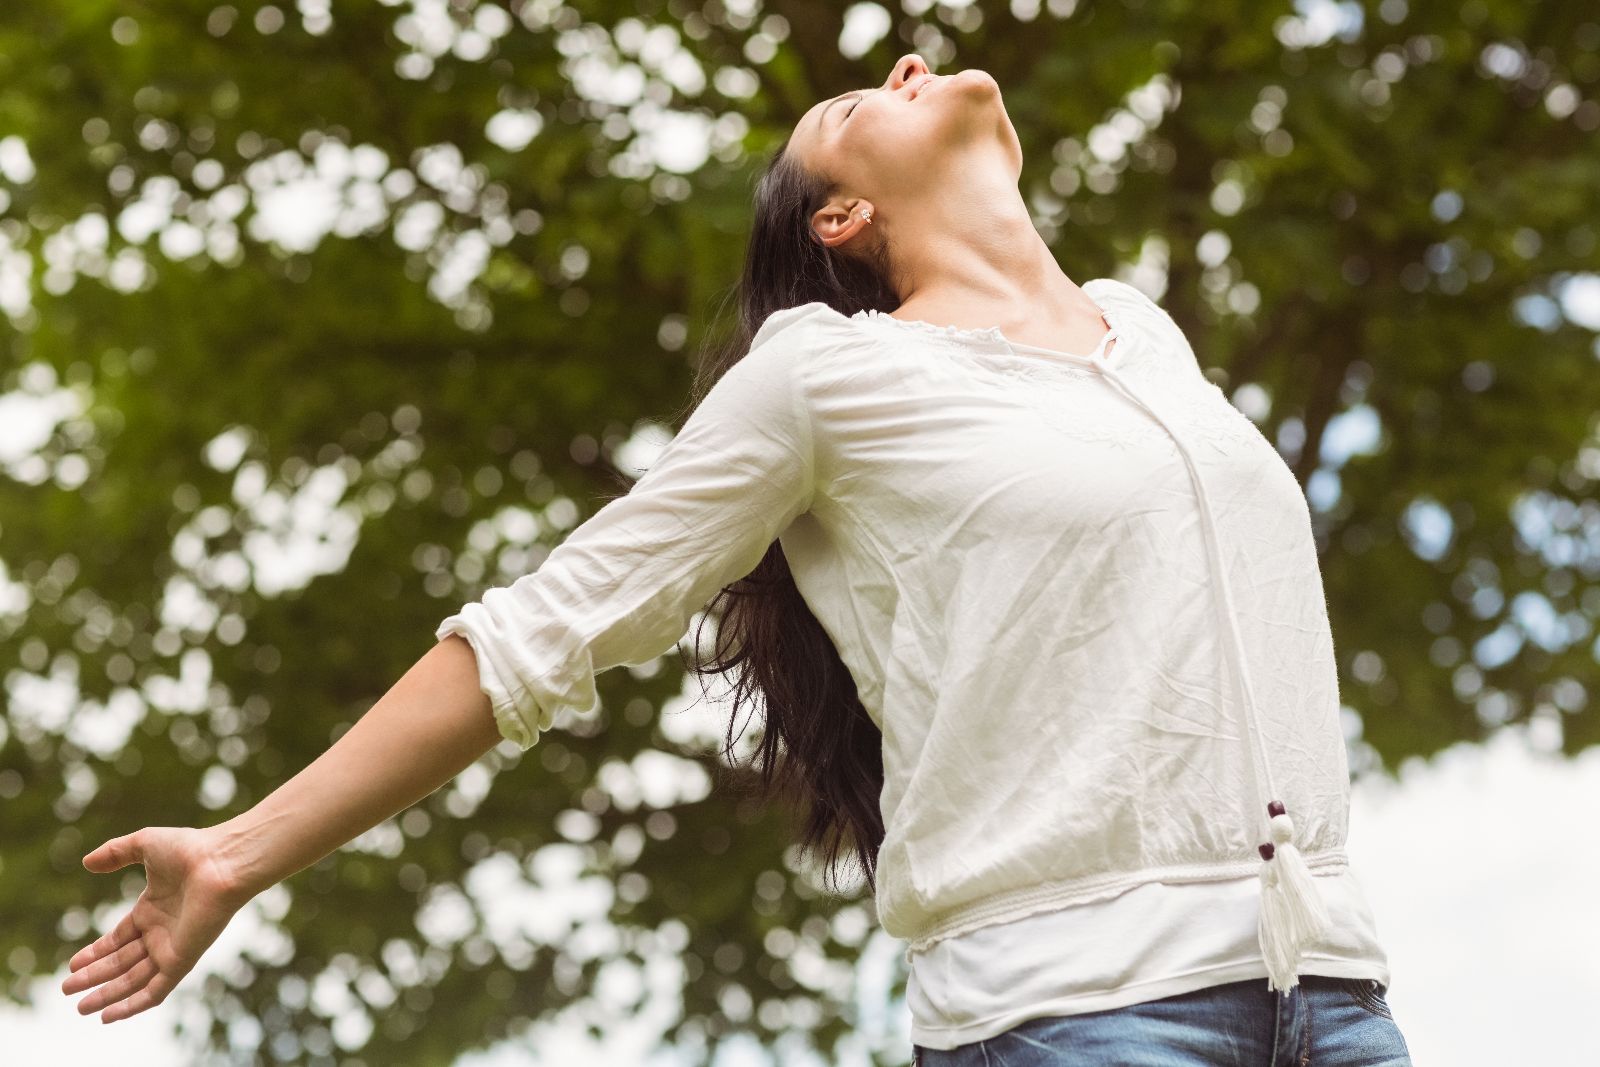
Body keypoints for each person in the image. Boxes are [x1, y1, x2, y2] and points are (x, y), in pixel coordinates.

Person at [62, 51, 1413, 1066]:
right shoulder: (826, 376)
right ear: (844, 222)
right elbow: (547, 625)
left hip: (1337, 996)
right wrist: (237, 854)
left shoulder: (1146, 336)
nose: (904, 64)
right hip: (1076, 1014)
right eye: (853, 112)